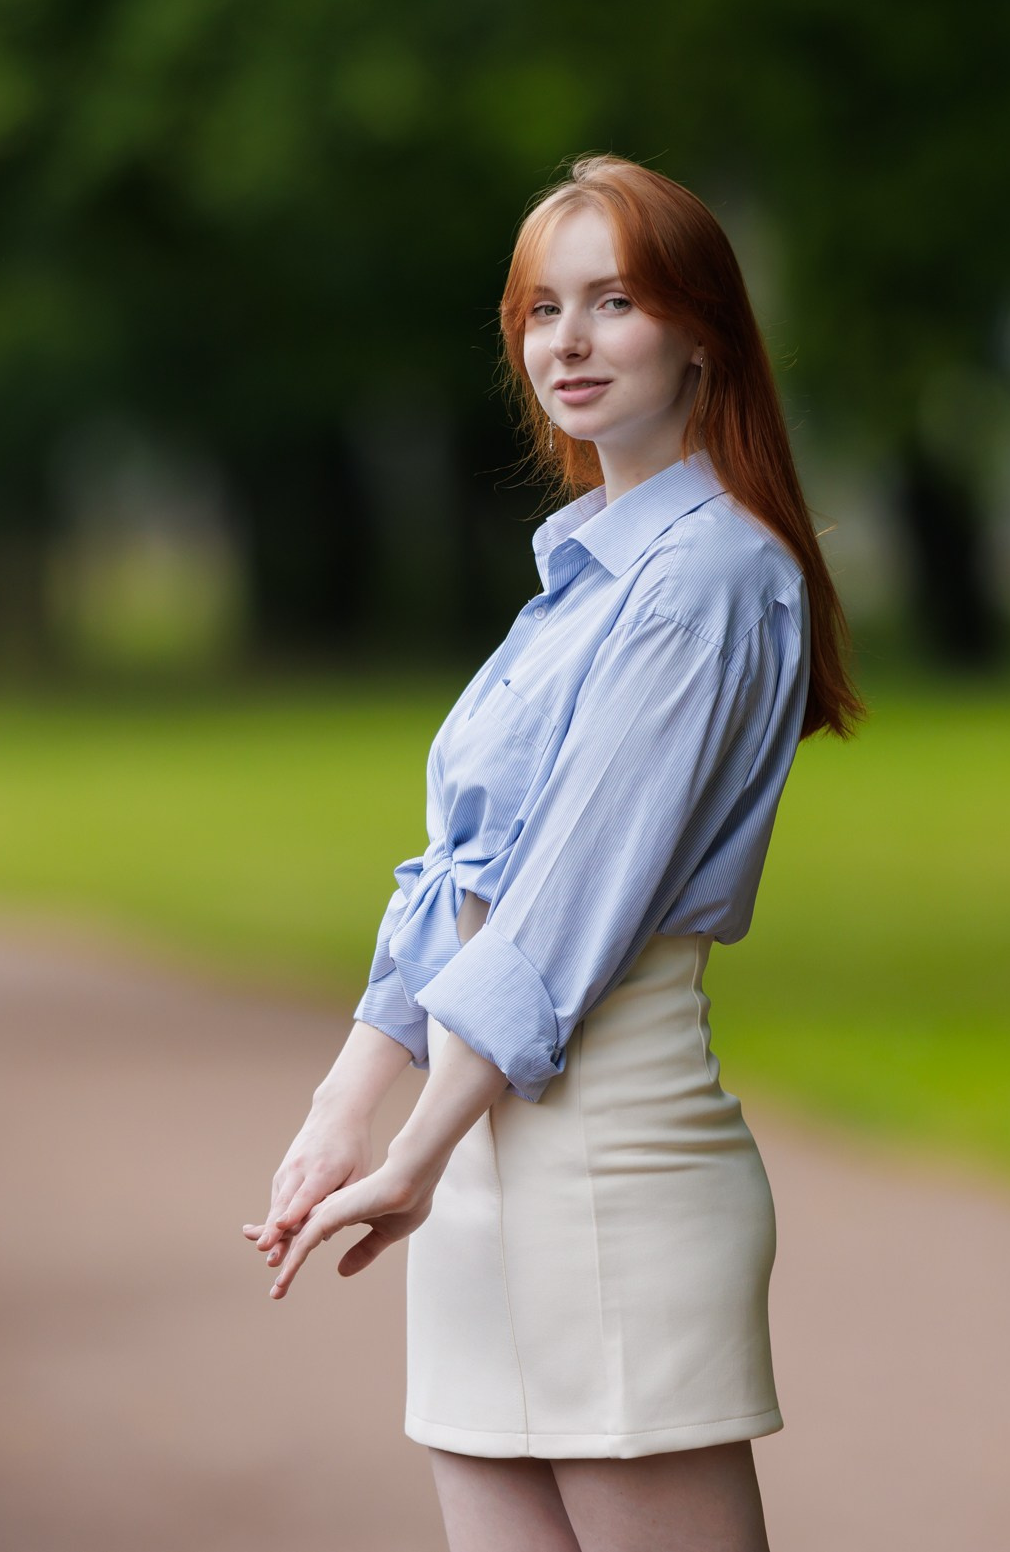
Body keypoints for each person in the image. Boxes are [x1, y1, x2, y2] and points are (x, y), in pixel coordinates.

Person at [241, 152, 862, 1552]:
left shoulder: (711, 576)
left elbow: (562, 911)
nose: (567, 344)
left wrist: (412, 1141)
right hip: (467, 1172)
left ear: (701, 328)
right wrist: (347, 1114)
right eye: (541, 310)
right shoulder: (579, 581)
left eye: (615, 302)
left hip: (612, 1163)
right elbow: (455, 876)